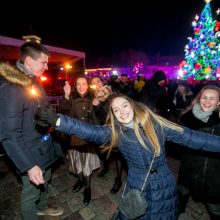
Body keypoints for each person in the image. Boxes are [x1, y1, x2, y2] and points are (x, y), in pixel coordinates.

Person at [38, 94, 220, 220]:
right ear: (113, 115)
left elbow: (193, 138)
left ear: (132, 105)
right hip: (137, 184)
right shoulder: (116, 132)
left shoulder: (156, 124)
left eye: (124, 106)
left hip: (163, 184)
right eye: (116, 110)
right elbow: (90, 131)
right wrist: (59, 121)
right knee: (133, 213)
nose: (121, 111)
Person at [0, 42, 64, 220]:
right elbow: (9, 134)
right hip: (29, 153)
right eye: (43, 62)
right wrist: (28, 165)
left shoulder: (33, 81)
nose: (46, 66)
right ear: (28, 61)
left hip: (42, 146)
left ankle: (42, 208)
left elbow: (38, 110)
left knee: (46, 180)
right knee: (30, 194)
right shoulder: (11, 88)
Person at [177, 85, 220, 220]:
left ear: (219, 102)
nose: (207, 101)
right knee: (180, 199)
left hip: (214, 175)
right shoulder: (188, 119)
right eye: (204, 97)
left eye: (212, 99)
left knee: (215, 209)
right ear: (199, 99)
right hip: (189, 168)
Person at [59, 77, 100, 205]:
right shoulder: (70, 98)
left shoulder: (92, 100)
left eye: (84, 84)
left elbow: (95, 119)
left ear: (88, 86)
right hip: (74, 138)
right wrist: (66, 94)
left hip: (87, 138)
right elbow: (62, 108)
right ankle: (80, 181)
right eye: (78, 85)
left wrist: (96, 134)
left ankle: (87, 188)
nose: (81, 87)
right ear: (75, 86)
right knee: (77, 163)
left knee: (86, 164)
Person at [90, 76, 124, 194]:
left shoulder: (111, 92)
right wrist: (96, 105)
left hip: (116, 128)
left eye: (98, 81)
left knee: (118, 154)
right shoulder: (94, 97)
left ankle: (118, 180)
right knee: (102, 150)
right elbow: (100, 117)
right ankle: (105, 167)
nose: (97, 84)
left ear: (102, 82)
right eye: (94, 83)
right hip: (101, 129)